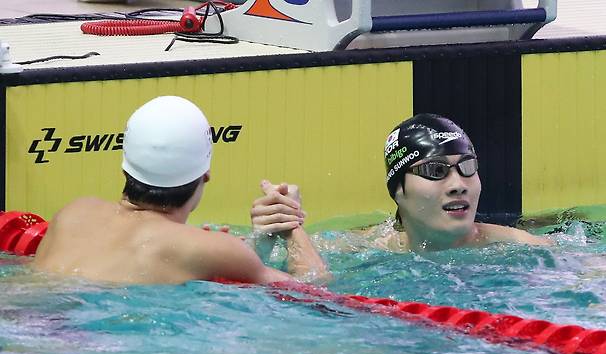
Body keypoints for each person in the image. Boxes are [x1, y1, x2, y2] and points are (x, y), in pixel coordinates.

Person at [32, 96, 328, 284]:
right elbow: (313, 291)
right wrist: (292, 224)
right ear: (206, 175)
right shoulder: (211, 247)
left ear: (124, 168)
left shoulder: (74, 212)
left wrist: (258, 247)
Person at [250, 114, 551, 253]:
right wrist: (273, 232)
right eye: (435, 171)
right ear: (398, 191)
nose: (459, 184)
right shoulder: (363, 247)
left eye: (467, 167)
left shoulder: (520, 248)